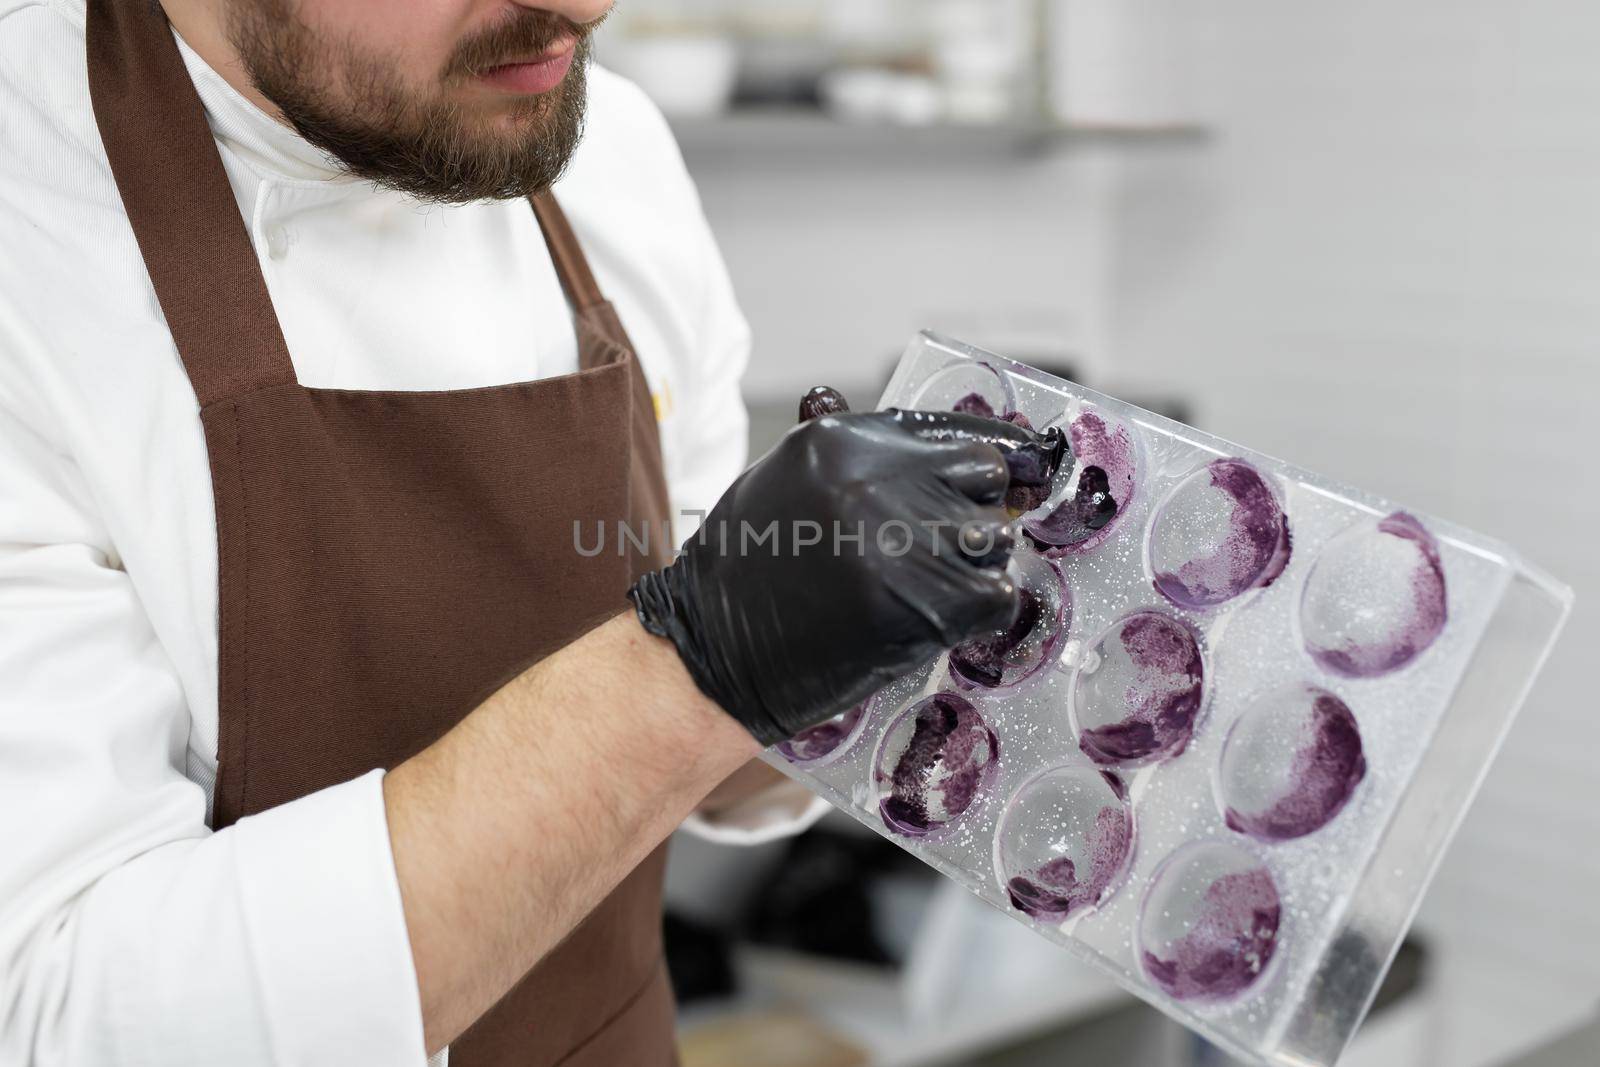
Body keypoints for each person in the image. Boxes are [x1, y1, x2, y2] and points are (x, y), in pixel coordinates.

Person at [0, 2, 1058, 1064]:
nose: (589, 6)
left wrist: (854, 647)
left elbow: (713, 745)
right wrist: (689, 672)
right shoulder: (29, 219)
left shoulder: (608, 152)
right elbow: (61, 1011)